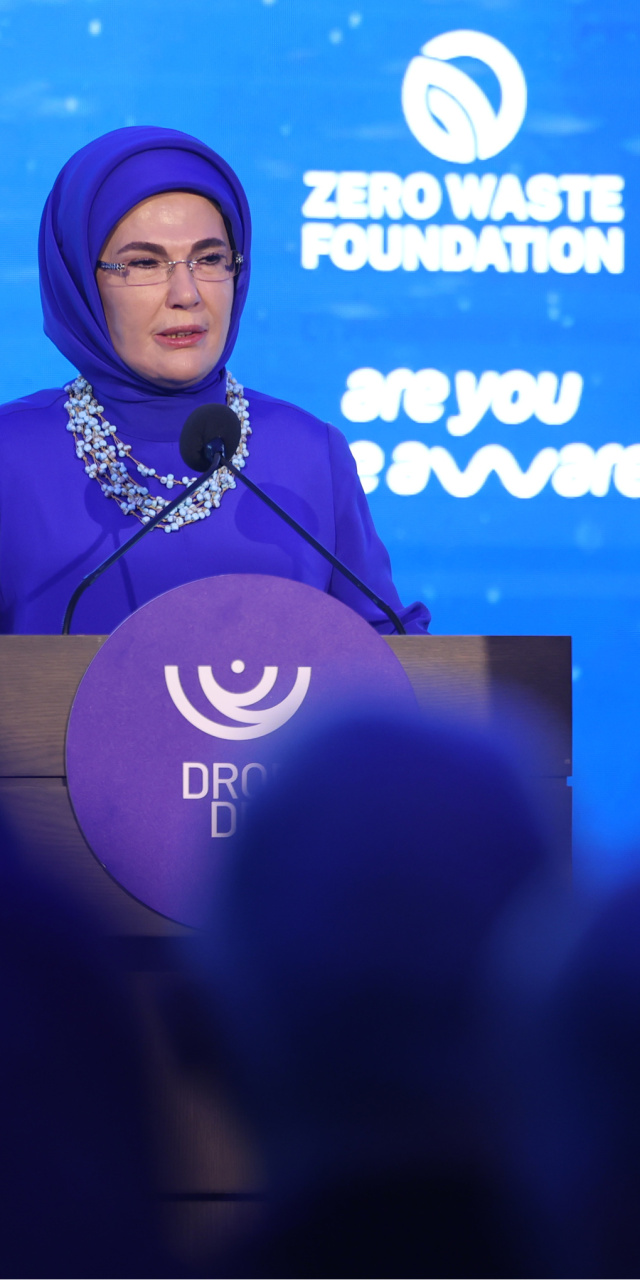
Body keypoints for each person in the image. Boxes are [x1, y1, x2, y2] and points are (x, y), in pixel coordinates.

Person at [0, 125, 430, 636]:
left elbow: (388, 648)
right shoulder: (11, 455)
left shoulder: (310, 454)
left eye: (209, 259)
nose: (186, 293)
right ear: (77, 280)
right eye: (144, 262)